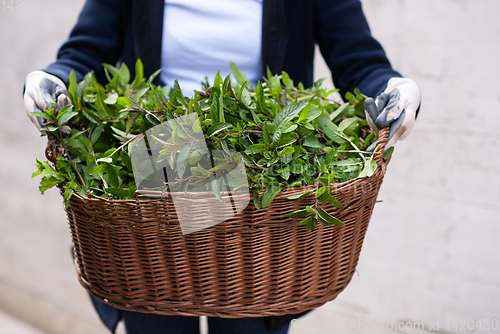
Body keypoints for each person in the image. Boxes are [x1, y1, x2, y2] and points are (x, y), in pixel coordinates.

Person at [23, 0, 421, 333]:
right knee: (157, 316)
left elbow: (357, 58)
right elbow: (86, 51)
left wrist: (393, 88)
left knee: (247, 320)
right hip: (159, 152)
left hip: (260, 163)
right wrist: (53, 79)